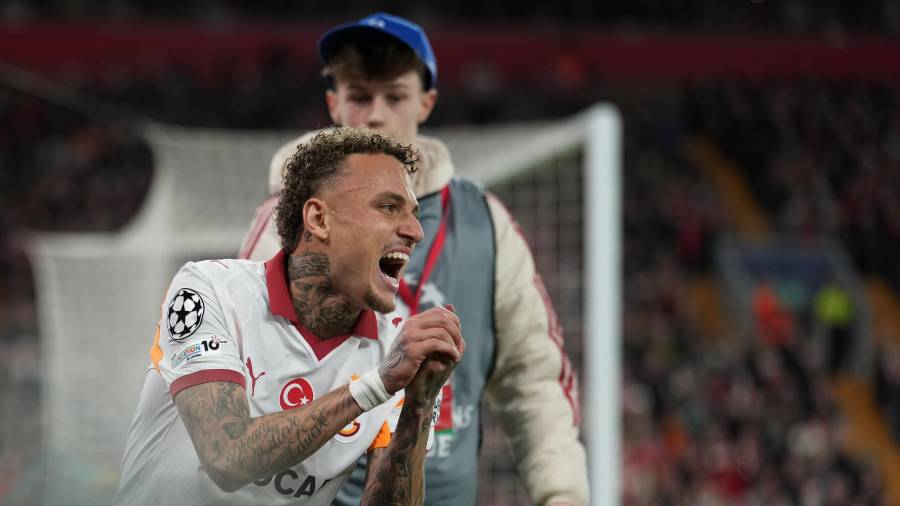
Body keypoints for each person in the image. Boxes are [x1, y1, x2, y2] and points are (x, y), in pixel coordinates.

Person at [238, 13, 588, 506]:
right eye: (359, 96)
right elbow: (246, 366)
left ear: (426, 103)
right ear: (333, 103)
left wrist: (562, 493)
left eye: (395, 97)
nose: (375, 114)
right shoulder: (288, 219)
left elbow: (533, 378)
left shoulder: (486, 224)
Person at [114, 127, 466, 505]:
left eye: (413, 213)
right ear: (318, 219)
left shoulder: (395, 349)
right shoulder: (209, 290)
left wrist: (418, 403)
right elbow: (226, 457)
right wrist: (377, 386)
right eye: (388, 207)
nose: (415, 231)